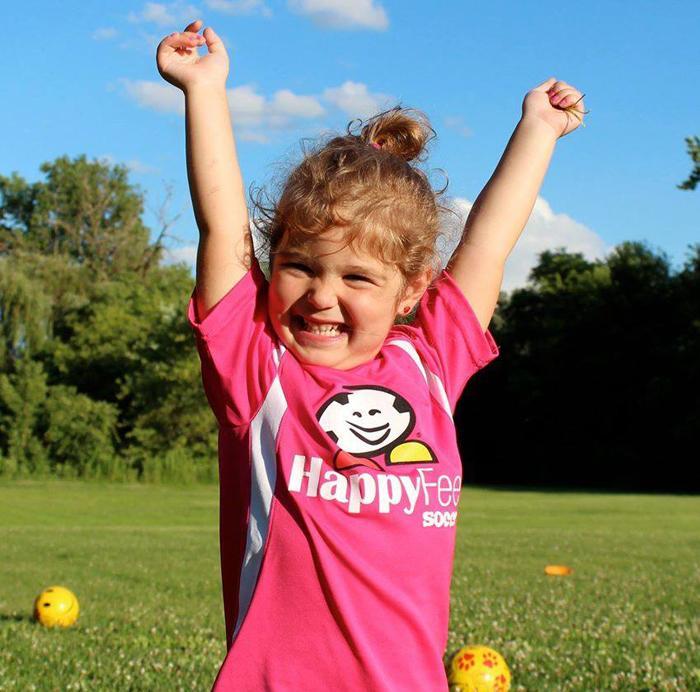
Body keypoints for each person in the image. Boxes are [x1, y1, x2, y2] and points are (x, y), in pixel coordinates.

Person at [156, 18, 587, 691]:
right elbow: (222, 224)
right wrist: (204, 90)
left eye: (357, 277)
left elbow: (485, 245)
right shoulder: (257, 371)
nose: (321, 296)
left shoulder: (430, 363)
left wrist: (538, 129)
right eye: (299, 266)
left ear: (412, 290)